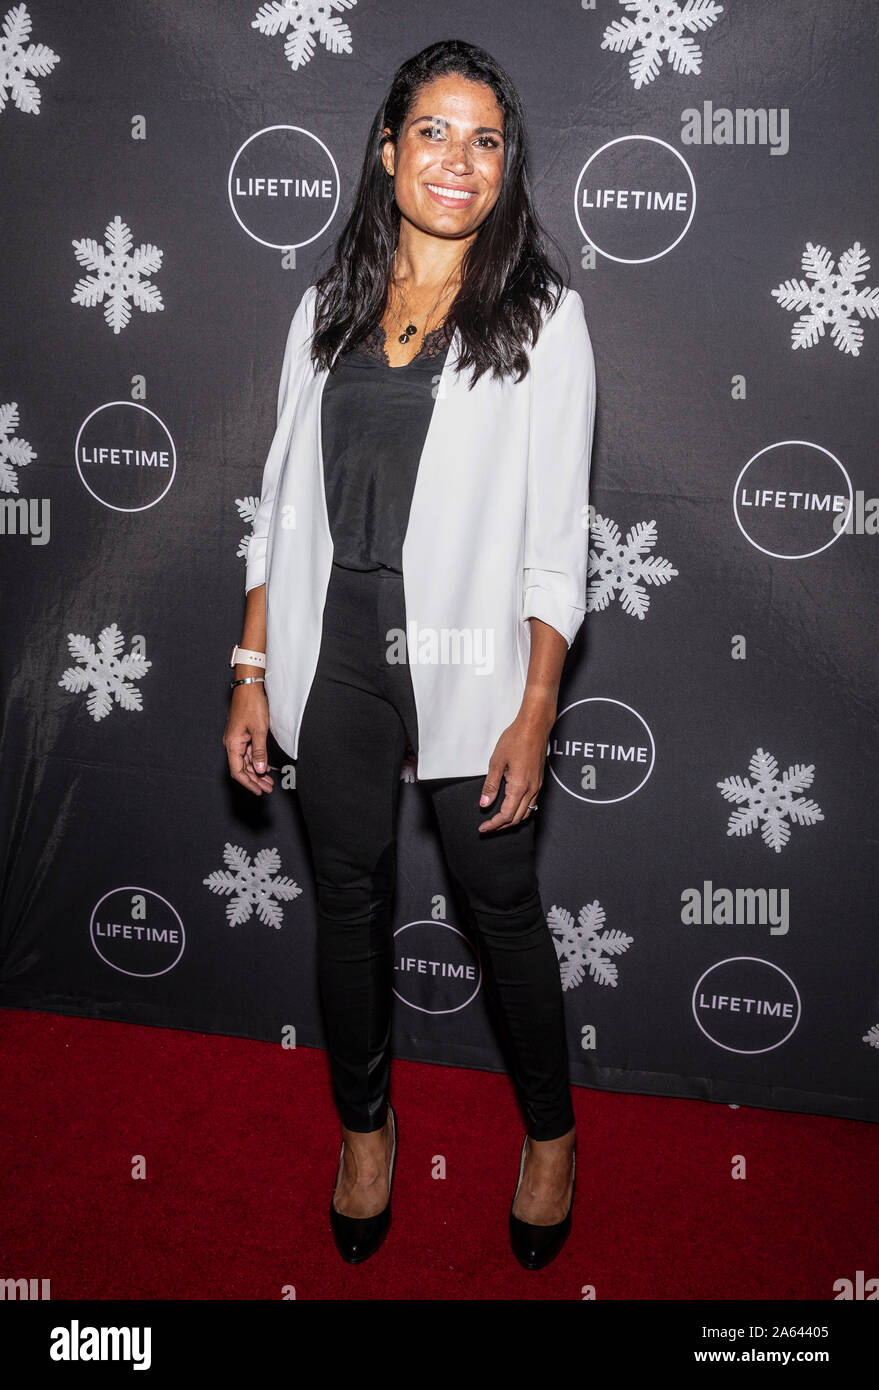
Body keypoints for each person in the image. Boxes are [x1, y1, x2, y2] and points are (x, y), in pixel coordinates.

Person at [223, 38, 596, 1271]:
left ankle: (549, 1135)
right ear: (387, 153)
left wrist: (537, 706)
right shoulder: (321, 310)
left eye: (484, 138)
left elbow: (553, 542)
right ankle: (366, 1132)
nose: (458, 158)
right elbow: (279, 501)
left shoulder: (545, 318)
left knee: (502, 910)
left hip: (471, 658)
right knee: (346, 905)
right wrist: (251, 667)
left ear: (506, 168)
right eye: (432, 131)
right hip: (334, 654)